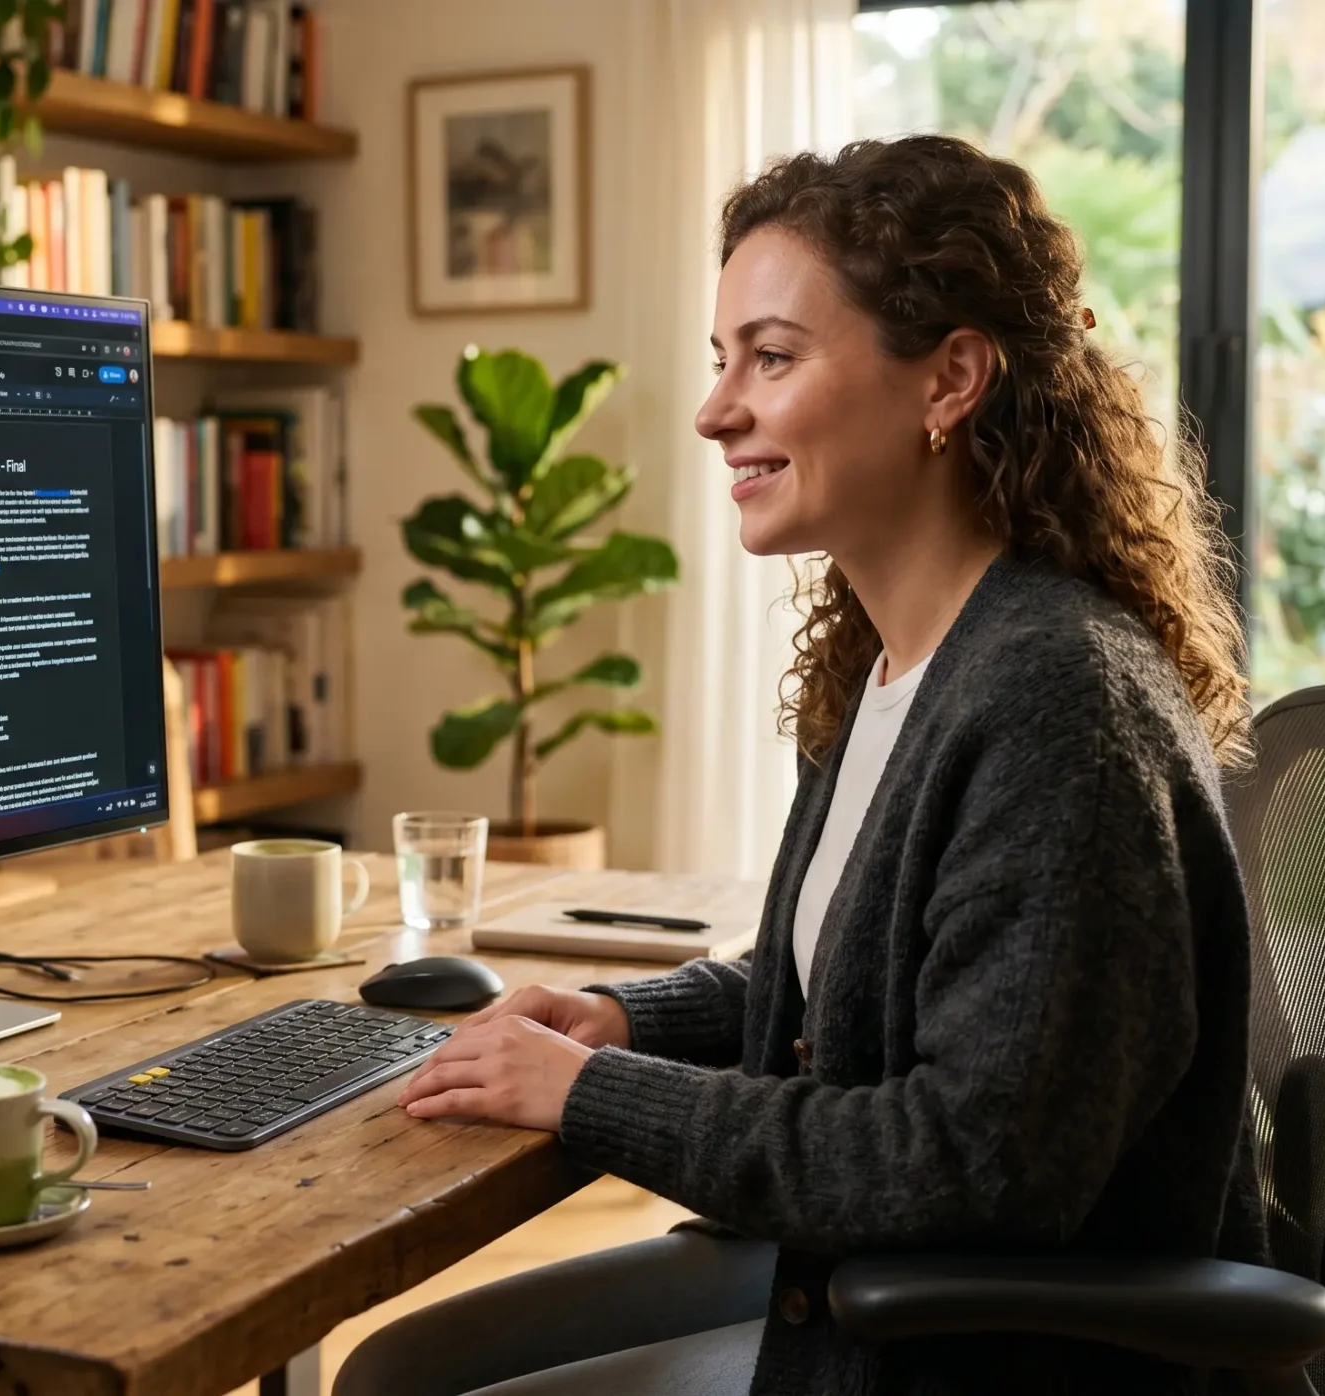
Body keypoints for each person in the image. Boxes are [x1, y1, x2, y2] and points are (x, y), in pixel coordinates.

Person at [337, 135, 1262, 1396]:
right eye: (722, 359)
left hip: (987, 1352)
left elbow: (975, 1161)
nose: (716, 410)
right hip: (863, 1284)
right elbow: (860, 992)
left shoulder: (1057, 701)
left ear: (950, 380)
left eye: (770, 358)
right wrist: (628, 1019)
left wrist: (596, 1094)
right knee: (399, 1367)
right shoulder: (890, 664)